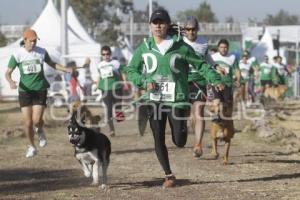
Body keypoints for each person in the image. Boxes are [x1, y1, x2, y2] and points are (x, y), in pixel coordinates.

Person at [127, 9, 224, 188]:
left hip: (177, 98)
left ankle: (182, 133)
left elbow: (201, 64)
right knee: (158, 137)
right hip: (154, 99)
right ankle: (168, 175)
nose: (158, 26)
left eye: (161, 22)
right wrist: (143, 81)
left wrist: (215, 79)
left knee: (179, 141)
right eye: (154, 22)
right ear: (150, 26)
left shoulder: (181, 46)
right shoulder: (144, 47)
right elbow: (131, 70)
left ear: (167, 25)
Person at [5, 28, 72, 158]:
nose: (33, 43)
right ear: (24, 40)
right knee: (28, 123)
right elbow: (7, 73)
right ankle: (31, 146)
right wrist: (11, 82)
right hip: (25, 91)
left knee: (36, 120)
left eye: (35, 41)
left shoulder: (41, 52)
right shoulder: (17, 54)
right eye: (31, 41)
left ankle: (40, 130)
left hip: (40, 89)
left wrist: (65, 69)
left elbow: (52, 63)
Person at [183, 16, 216, 157]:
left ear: (197, 29)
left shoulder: (203, 43)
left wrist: (215, 66)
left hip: (199, 81)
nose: (191, 32)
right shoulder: (178, 41)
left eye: (193, 29)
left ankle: (198, 144)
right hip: (182, 81)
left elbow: (207, 58)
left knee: (199, 111)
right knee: (185, 113)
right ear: (185, 30)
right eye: (188, 29)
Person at [209, 39, 240, 157]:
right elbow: (209, 69)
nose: (223, 49)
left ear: (228, 48)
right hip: (216, 84)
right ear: (218, 48)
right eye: (221, 47)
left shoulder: (232, 57)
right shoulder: (213, 57)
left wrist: (238, 79)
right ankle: (216, 121)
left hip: (228, 86)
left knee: (227, 109)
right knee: (217, 103)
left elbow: (237, 70)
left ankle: (229, 128)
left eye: (225, 47)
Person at [96, 45, 125, 137]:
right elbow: (100, 76)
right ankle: (111, 130)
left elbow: (122, 72)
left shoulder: (115, 63)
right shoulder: (99, 65)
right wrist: (97, 85)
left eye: (107, 54)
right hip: (105, 89)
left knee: (118, 108)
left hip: (117, 88)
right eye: (103, 54)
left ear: (110, 54)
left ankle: (119, 116)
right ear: (101, 55)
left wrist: (125, 83)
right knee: (108, 109)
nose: (106, 56)